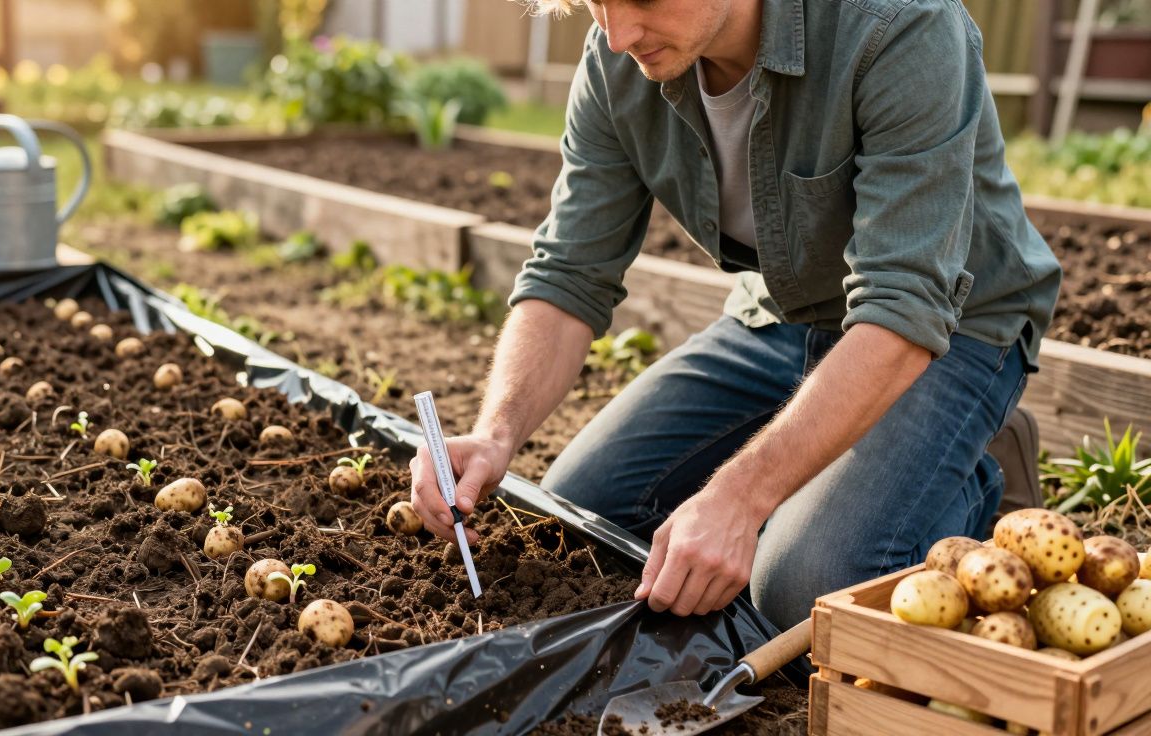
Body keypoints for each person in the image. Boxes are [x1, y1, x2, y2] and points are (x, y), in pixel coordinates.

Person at [408, 0, 1061, 632]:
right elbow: (568, 273)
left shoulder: (899, 26)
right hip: (784, 315)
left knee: (801, 586)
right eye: (595, 3)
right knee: (588, 520)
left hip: (949, 329)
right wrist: (496, 432)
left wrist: (740, 499)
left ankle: (974, 468)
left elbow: (903, 306)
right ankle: (858, 474)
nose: (617, 33)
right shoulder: (616, 66)